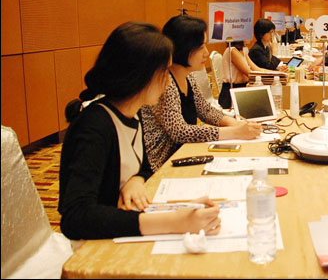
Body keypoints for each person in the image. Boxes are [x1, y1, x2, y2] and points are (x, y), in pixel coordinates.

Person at [59, 22, 222, 240]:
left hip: (125, 228)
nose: (168, 81)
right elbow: (75, 217)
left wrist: (136, 180)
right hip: (98, 241)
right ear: (140, 75)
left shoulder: (134, 114)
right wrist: (173, 222)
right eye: (164, 72)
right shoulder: (94, 127)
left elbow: (144, 165)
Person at [141, 15, 261, 171]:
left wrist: (236, 123)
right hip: (161, 165)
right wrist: (234, 132)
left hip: (184, 153)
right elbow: (180, 132)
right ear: (183, 48)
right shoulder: (165, 82)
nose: (206, 52)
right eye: (200, 47)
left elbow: (205, 110)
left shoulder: (188, 76)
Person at [218, 40, 279, 109]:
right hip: (231, 93)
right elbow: (250, 73)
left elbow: (257, 69)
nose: (250, 38)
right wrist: (276, 74)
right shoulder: (232, 51)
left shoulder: (243, 51)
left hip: (241, 90)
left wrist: (278, 73)